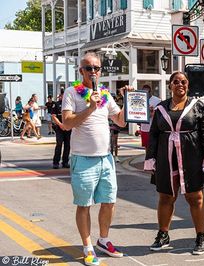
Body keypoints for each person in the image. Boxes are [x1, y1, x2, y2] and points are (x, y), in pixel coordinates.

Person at [62, 52, 129, 265]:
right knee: (84, 204)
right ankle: (87, 245)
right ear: (81, 71)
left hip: (106, 158)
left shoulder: (106, 95)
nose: (93, 72)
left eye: (97, 68)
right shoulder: (72, 92)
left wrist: (129, 102)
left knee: (109, 202)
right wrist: (90, 107)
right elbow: (68, 123)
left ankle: (104, 240)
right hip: (83, 158)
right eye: (88, 68)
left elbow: (121, 122)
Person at [144, 71, 204, 255]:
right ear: (170, 86)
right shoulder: (161, 108)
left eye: (183, 82)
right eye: (176, 82)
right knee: (166, 196)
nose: (180, 84)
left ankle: (201, 236)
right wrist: (150, 158)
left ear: (188, 85)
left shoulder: (196, 106)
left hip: (191, 156)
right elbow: (153, 135)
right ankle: (163, 234)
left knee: (195, 197)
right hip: (165, 157)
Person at [51, 89, 71, 169]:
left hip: (68, 128)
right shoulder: (56, 104)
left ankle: (65, 162)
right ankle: (56, 162)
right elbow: (53, 116)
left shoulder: (70, 104)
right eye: (62, 95)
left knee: (67, 145)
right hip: (59, 128)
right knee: (59, 144)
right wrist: (60, 124)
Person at [140, 84, 161, 149]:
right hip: (144, 128)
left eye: (147, 92)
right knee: (146, 147)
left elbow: (158, 114)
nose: (145, 94)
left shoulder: (157, 100)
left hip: (154, 127)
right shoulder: (140, 99)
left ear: (150, 92)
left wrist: (151, 113)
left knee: (154, 146)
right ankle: (147, 159)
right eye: (143, 92)